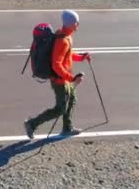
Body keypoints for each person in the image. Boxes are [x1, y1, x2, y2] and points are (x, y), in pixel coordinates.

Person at [24, 10, 91, 139]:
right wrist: (71, 78)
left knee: (71, 100)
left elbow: (67, 55)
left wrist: (81, 57)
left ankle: (67, 128)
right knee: (60, 109)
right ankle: (32, 124)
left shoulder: (65, 36)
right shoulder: (63, 40)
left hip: (64, 78)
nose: (78, 25)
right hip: (59, 81)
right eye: (77, 23)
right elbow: (56, 64)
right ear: (72, 24)